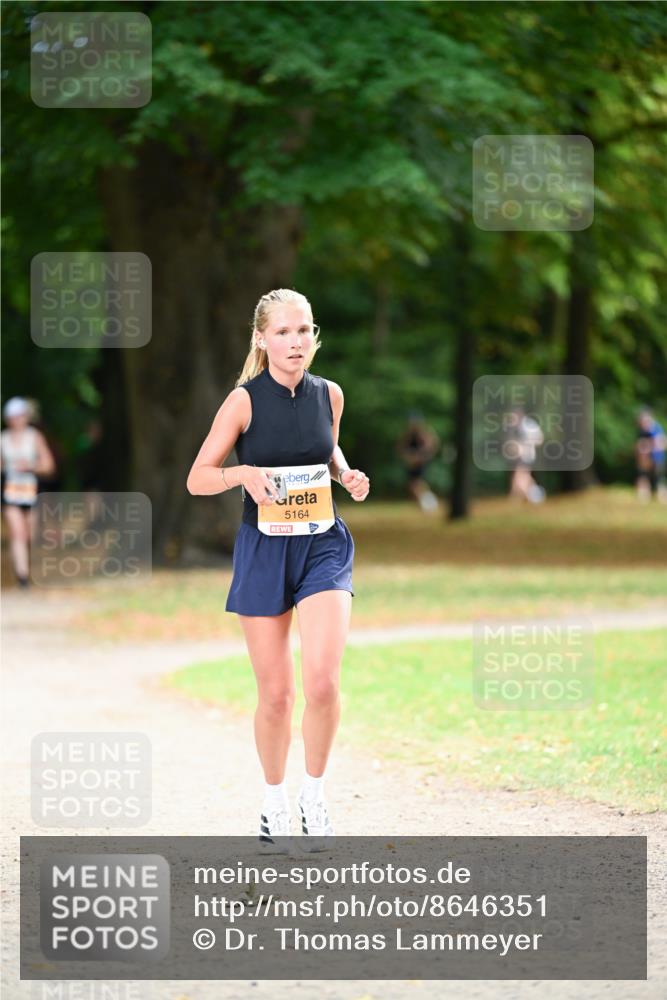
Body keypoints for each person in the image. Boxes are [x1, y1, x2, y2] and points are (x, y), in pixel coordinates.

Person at [187, 289, 370, 853]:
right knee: (276, 695)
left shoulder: (330, 394)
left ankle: (314, 795)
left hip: (322, 547)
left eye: (304, 330)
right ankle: (274, 802)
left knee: (323, 682)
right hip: (264, 548)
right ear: (262, 339)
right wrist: (242, 475)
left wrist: (345, 474)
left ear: (314, 336)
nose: (296, 342)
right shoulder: (242, 402)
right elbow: (197, 477)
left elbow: (327, 452)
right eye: (284, 332)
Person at [1, 397, 56, 588]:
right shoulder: (3, 439)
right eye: (12, 417)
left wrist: (31, 467)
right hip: (10, 493)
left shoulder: (35, 437)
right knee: (17, 533)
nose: (16, 420)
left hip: (31, 492)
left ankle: (30, 568)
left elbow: (49, 466)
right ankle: (22, 577)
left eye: (19, 416)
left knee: (30, 535)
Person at [396, 411, 440, 511]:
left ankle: (429, 504)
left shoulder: (423, 434)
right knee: (414, 485)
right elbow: (401, 448)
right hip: (412, 464)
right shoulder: (408, 435)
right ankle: (427, 503)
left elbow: (430, 448)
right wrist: (408, 458)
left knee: (417, 484)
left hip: (421, 463)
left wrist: (418, 458)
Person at [505, 406, 545, 503]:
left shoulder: (528, 426)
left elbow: (540, 439)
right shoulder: (514, 427)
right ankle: (526, 498)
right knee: (521, 478)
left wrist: (525, 445)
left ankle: (534, 497)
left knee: (519, 478)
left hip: (527, 456)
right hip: (520, 457)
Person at [635, 408, 667, 503]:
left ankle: (662, 497)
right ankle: (644, 496)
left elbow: (662, 443)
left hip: (657, 458)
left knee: (659, 478)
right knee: (643, 476)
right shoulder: (642, 431)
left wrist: (647, 446)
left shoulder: (657, 428)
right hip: (645, 459)